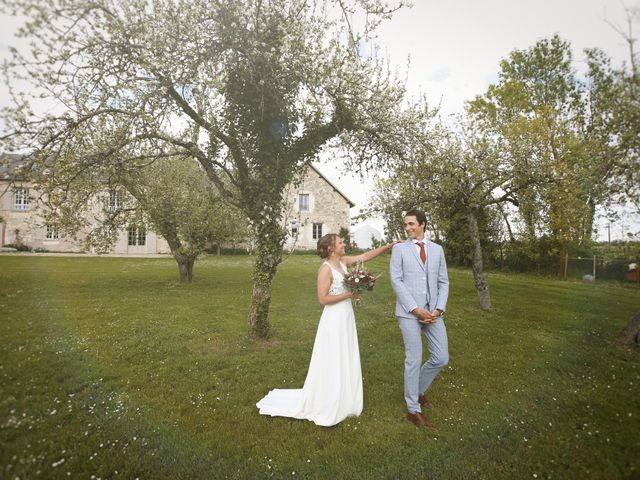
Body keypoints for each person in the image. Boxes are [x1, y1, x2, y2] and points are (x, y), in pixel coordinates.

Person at [256, 233, 396, 427]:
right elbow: (322, 299)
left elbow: (365, 257)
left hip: (346, 316)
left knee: (345, 354)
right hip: (333, 319)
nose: (344, 243)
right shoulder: (325, 269)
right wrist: (350, 293)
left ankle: (345, 396)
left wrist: (388, 246)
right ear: (331, 248)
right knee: (333, 357)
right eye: (340, 242)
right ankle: (330, 398)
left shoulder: (344, 262)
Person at [390, 208, 449, 428]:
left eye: (411, 224)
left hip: (433, 313)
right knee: (413, 359)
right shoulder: (400, 250)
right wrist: (416, 309)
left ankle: (417, 390)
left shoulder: (437, 250)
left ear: (422, 224)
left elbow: (443, 282)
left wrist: (438, 310)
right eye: (405, 225)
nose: (407, 228)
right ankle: (413, 409)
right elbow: (396, 281)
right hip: (408, 313)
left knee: (441, 357)